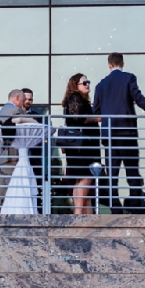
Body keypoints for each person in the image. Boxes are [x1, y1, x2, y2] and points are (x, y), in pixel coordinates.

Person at [93, 53, 145, 213]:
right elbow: (139, 99)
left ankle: (115, 210)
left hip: (109, 135)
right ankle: (136, 207)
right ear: (122, 63)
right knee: (132, 171)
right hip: (126, 132)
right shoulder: (129, 78)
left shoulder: (100, 85)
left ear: (109, 65)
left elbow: (96, 111)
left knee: (112, 174)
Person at [60, 74, 101, 214]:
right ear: (75, 85)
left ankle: (86, 221)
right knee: (85, 180)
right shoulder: (75, 98)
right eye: (84, 83)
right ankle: (78, 216)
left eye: (88, 82)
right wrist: (98, 118)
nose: (88, 84)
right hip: (83, 148)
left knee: (82, 185)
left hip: (81, 146)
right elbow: (78, 117)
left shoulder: (75, 99)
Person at [0, 88, 35, 211]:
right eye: (22, 100)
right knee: (13, 188)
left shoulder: (1, 111)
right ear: (17, 98)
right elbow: (28, 124)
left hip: (2, 156)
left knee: (3, 188)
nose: (23, 103)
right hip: (12, 156)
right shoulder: (15, 110)